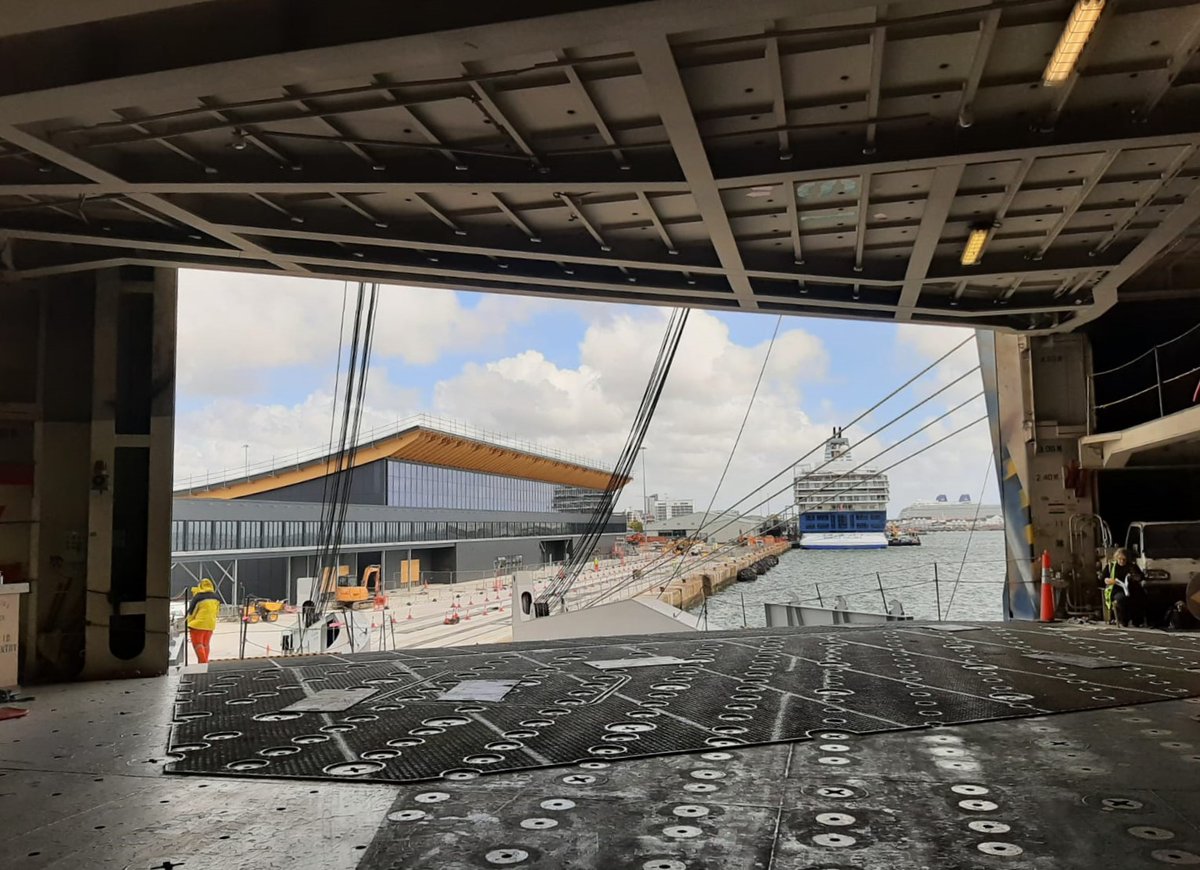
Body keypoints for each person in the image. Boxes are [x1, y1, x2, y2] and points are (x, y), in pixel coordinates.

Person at [1101, 548, 1146, 627]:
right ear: (1116, 558)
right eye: (1119, 559)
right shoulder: (1111, 566)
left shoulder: (1132, 566)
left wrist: (1134, 577)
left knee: (1139, 596)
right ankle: (1123, 620)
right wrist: (1108, 580)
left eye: (1124, 559)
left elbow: (1141, 576)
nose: (1121, 561)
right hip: (1116, 589)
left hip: (1131, 589)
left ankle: (1137, 621)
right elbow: (1103, 578)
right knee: (1122, 599)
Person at [186, 578, 221, 663]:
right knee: (206, 644)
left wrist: (187, 623)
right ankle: (205, 662)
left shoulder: (198, 597)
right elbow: (217, 612)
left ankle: (202, 663)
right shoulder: (216, 598)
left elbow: (191, 613)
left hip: (197, 625)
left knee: (198, 644)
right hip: (210, 625)